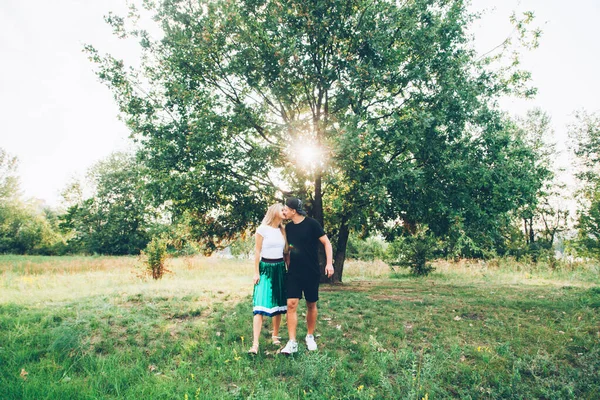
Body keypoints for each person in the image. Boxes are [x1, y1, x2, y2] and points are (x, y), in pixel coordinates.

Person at [280, 198, 333, 354]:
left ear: (293, 210)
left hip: (311, 271)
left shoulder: (312, 224)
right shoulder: (288, 228)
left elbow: (327, 243)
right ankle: (292, 342)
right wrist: (287, 263)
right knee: (291, 304)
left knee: (311, 304)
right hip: (294, 272)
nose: (284, 211)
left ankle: (310, 336)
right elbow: (289, 248)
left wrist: (329, 264)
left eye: (285, 209)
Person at [248, 203, 288, 355]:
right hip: (265, 268)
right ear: (274, 211)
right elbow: (257, 252)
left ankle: (275, 335)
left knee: (278, 304)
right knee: (259, 304)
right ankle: (255, 343)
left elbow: (286, 253)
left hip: (279, 269)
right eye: (282, 209)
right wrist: (256, 272)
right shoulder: (262, 229)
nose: (284, 211)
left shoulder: (283, 230)